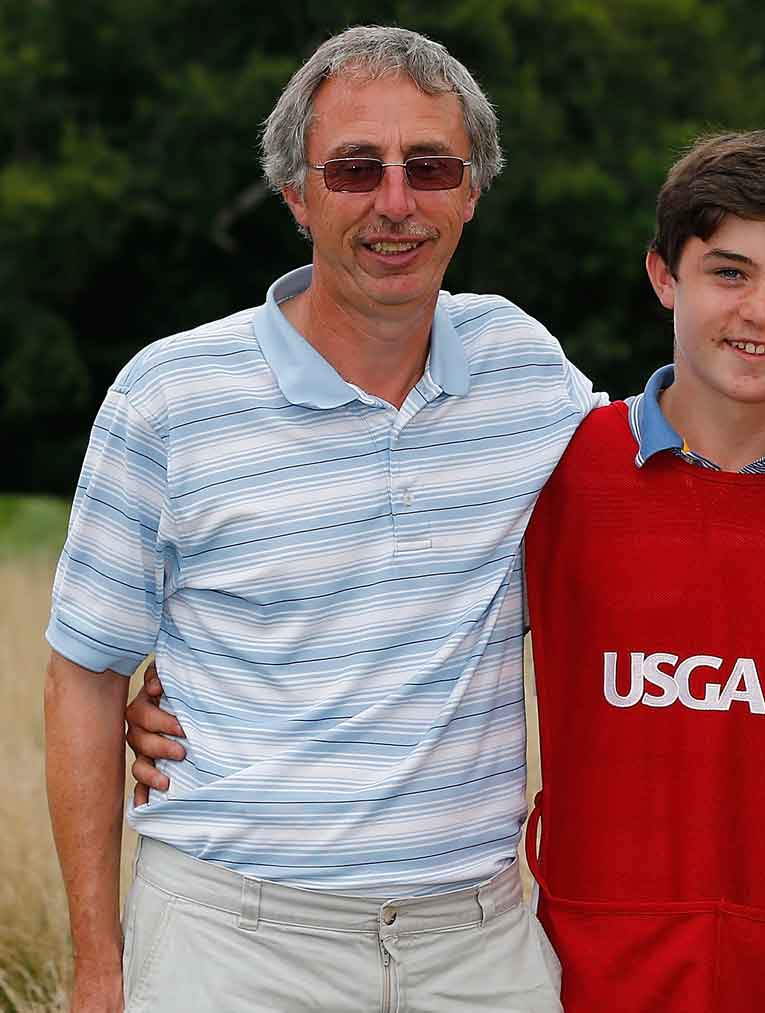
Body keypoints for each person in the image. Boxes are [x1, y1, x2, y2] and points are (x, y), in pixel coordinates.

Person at [123, 128, 765, 1009]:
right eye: (728, 272)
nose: (760, 310)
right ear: (663, 275)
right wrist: (198, 685)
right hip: (593, 973)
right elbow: (389, 600)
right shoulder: (561, 466)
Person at [45, 26, 596, 1012]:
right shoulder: (170, 395)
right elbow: (84, 676)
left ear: (472, 191)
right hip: (232, 942)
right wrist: (97, 966)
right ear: (296, 194)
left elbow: (678, 477)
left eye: (431, 166)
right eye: (354, 169)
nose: (396, 202)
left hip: (478, 943)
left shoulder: (523, 366)